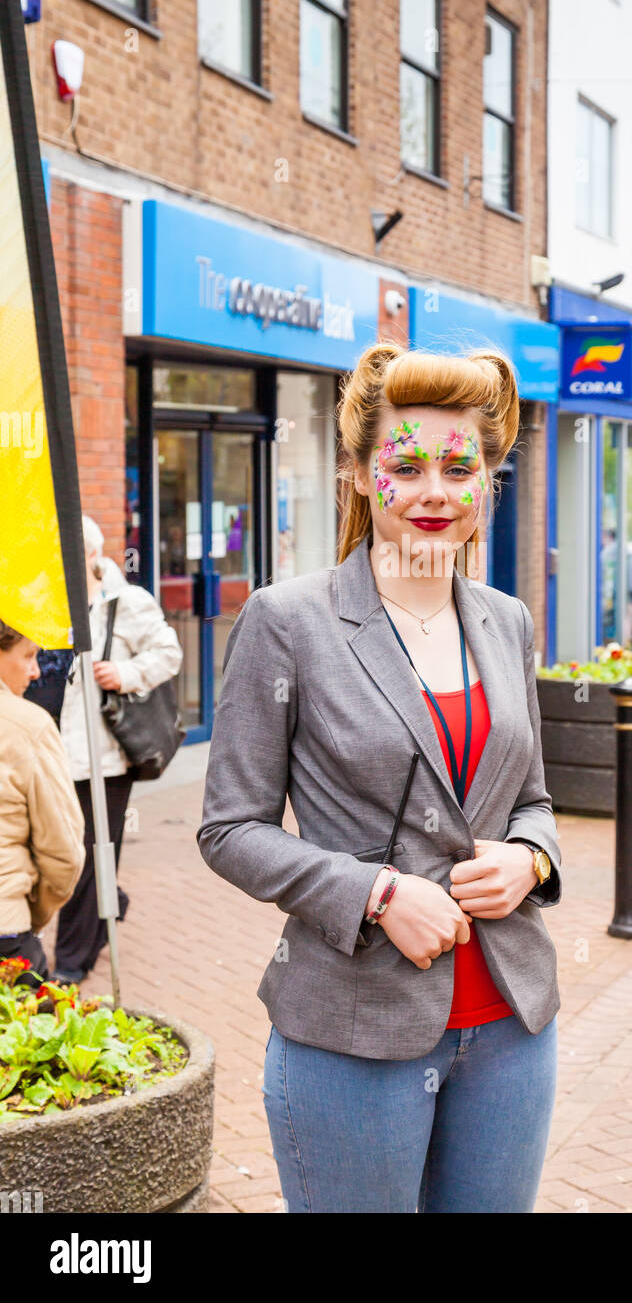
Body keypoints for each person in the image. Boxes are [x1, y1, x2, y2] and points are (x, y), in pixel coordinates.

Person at [198, 343, 562, 1214]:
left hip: (511, 1026)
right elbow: (227, 828)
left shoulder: (506, 620)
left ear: (486, 481)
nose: (435, 490)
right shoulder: (289, 621)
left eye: (458, 465)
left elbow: (535, 801)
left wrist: (531, 860)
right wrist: (375, 894)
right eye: (407, 465)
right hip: (353, 1032)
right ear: (361, 476)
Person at [54, 516, 182, 984]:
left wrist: (124, 674)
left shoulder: (126, 602)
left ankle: (71, 962)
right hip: (55, 753)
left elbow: (169, 653)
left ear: (89, 555)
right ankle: (114, 902)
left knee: (89, 854)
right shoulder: (46, 604)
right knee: (66, 853)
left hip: (105, 755)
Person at [0, 620, 85, 987]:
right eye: (29, 655)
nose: (35, 671)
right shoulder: (27, 725)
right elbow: (64, 851)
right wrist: (31, 913)